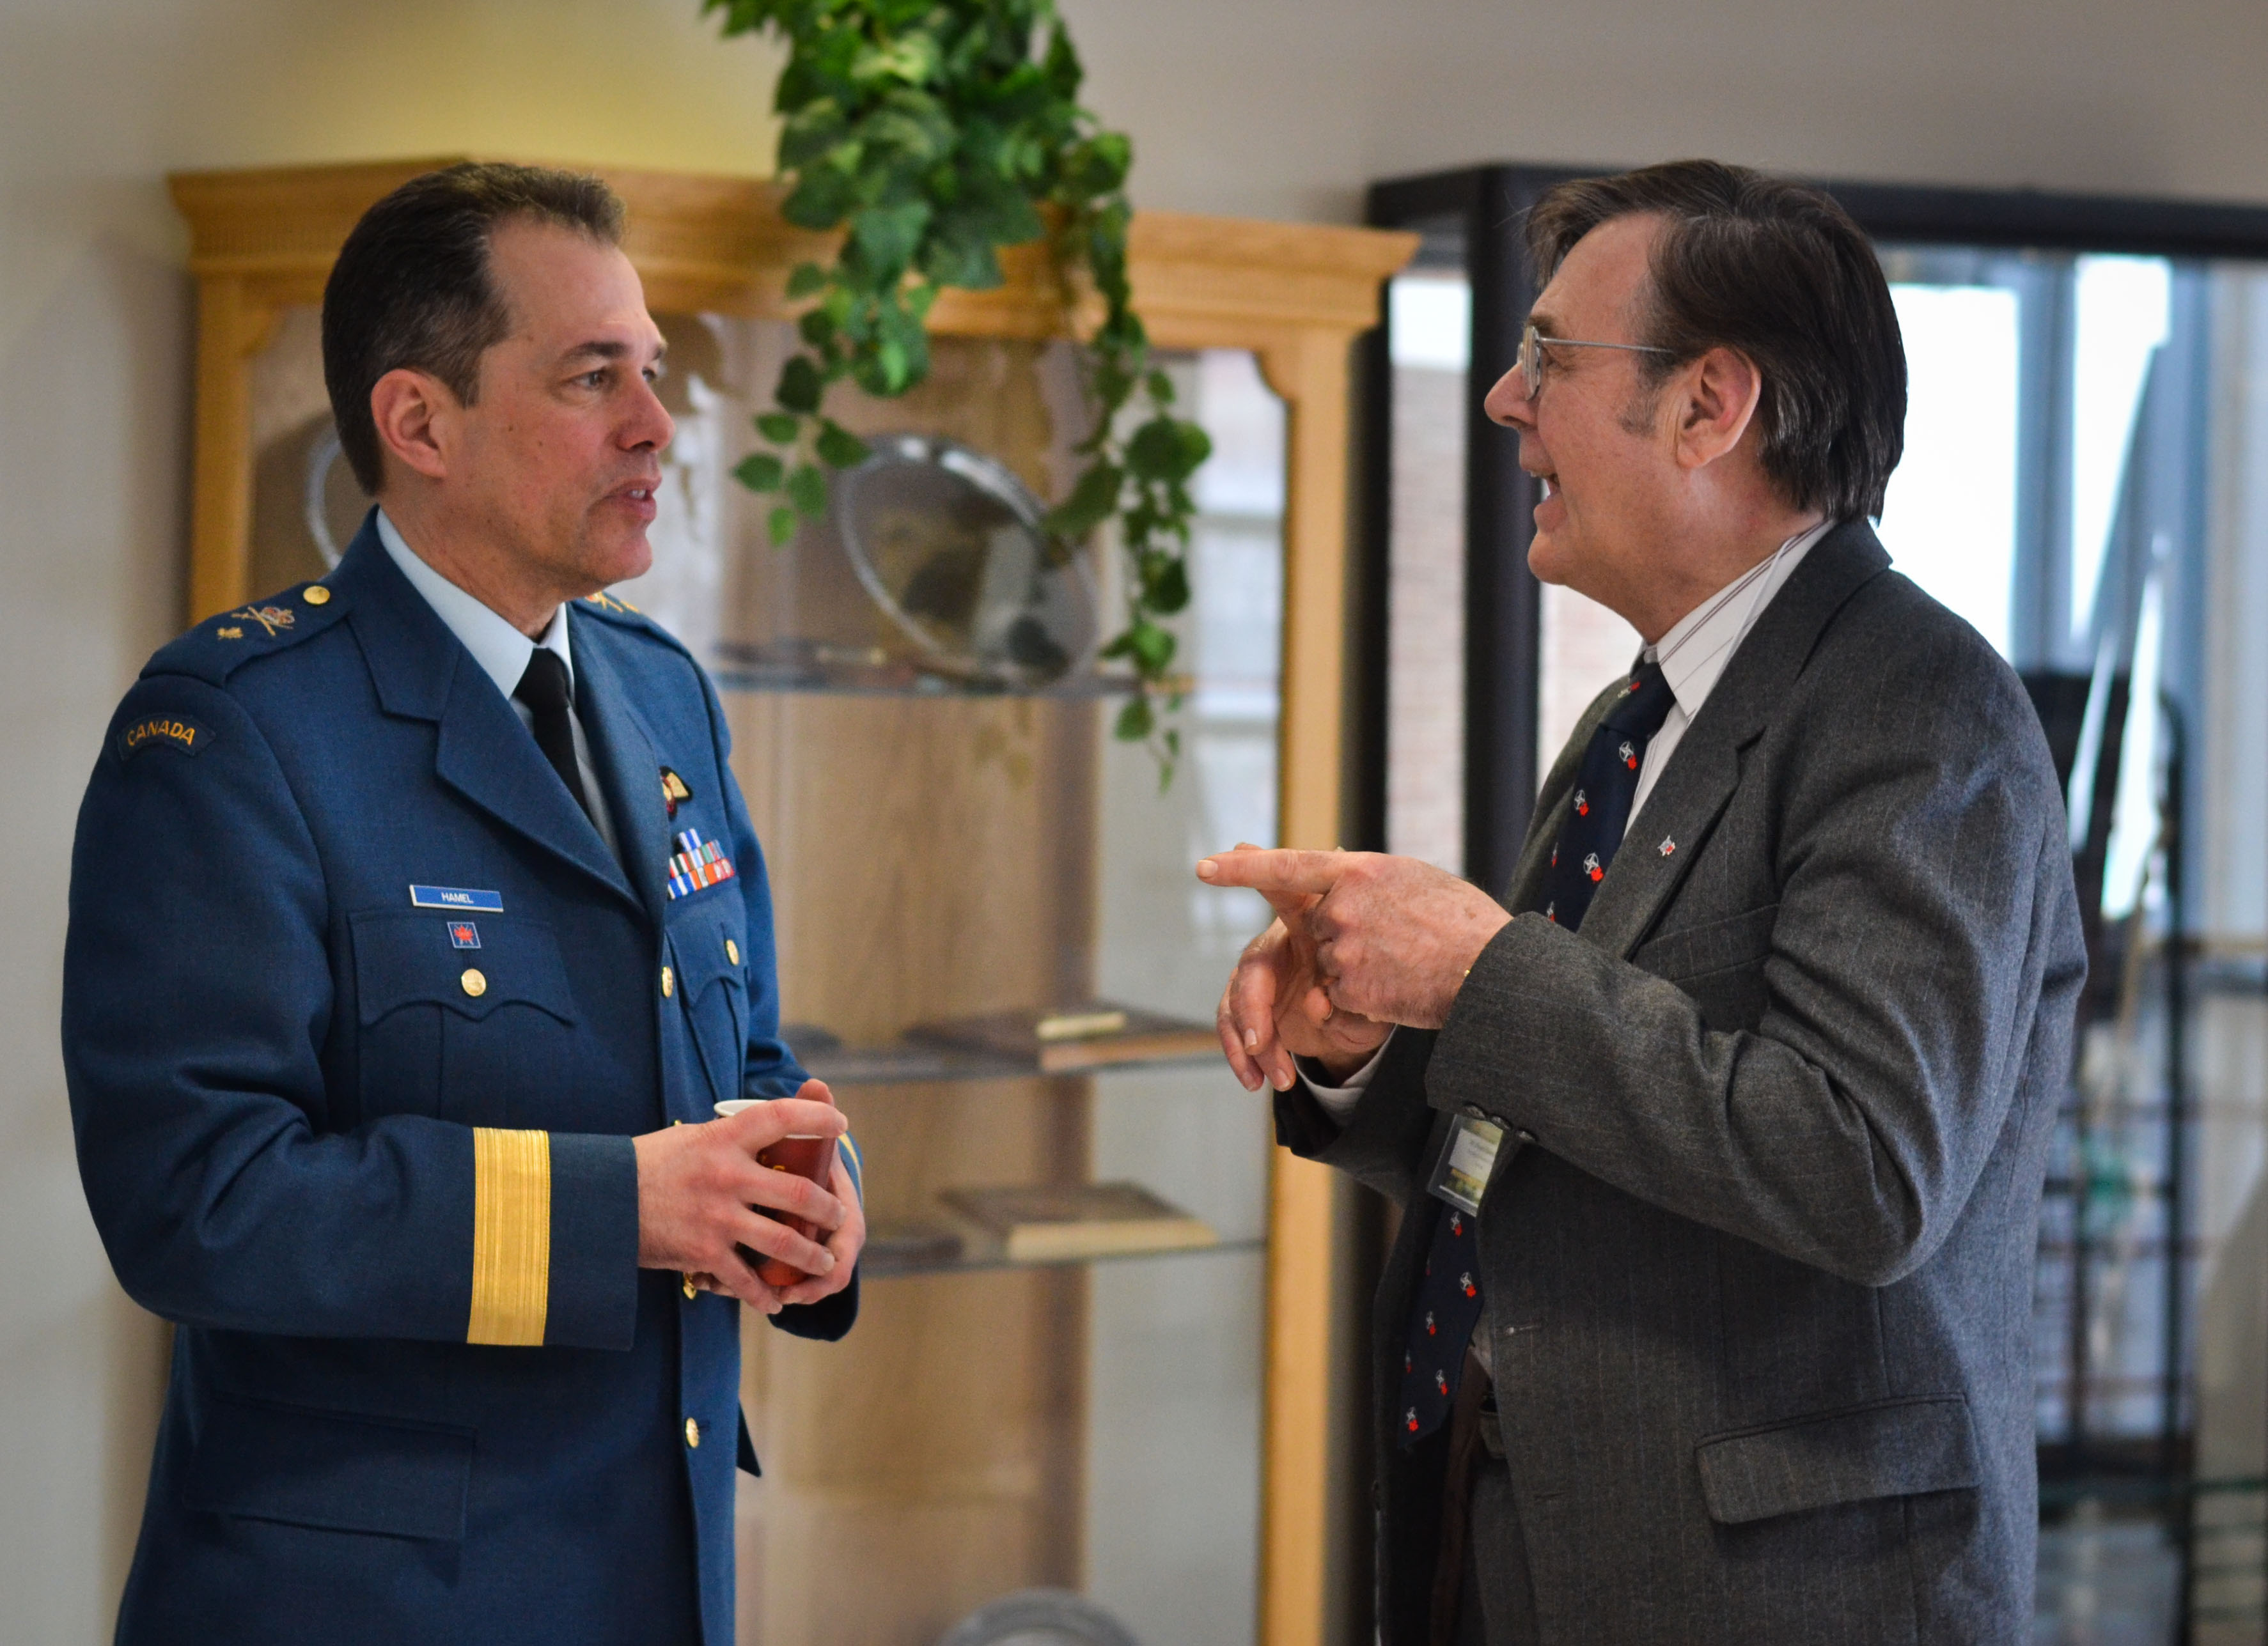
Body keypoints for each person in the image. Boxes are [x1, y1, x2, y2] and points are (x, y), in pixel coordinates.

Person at [1203, 160, 2085, 1644]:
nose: (1506, 399)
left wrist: (1479, 971)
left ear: (1708, 405)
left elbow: (1864, 1165)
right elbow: (1555, 1136)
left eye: (1549, 355)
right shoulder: (1636, 719)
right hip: (1522, 1549)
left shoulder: (1920, 707)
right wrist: (1366, 1039)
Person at [63, 162, 864, 1645]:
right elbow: (199, 1201)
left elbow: (740, 1053)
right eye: (591, 376)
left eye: (652, 371)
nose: (656, 423)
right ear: (420, 423)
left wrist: (815, 1196)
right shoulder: (236, 728)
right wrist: (620, 1208)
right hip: (365, 1605)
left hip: (654, 1576)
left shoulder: (662, 694)